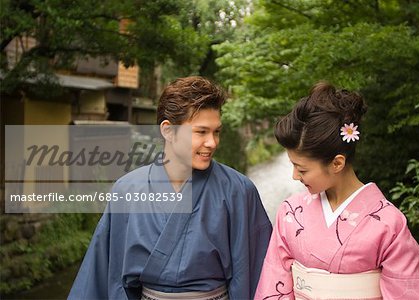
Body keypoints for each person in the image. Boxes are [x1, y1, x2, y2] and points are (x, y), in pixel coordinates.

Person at [68, 76, 272, 300]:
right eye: (201, 132)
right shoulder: (126, 191)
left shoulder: (239, 190)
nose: (212, 142)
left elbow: (256, 275)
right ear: (168, 130)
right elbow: (107, 275)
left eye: (216, 132)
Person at [254, 82, 419, 300]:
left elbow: (409, 292)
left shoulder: (389, 224)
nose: (294, 176)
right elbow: (274, 287)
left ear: (337, 163)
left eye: (301, 169)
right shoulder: (291, 213)